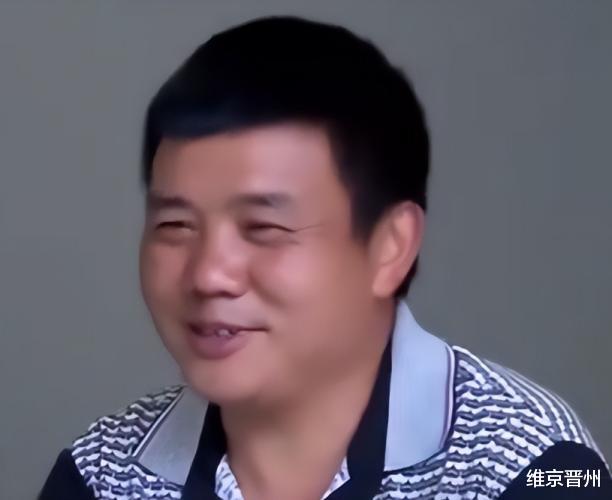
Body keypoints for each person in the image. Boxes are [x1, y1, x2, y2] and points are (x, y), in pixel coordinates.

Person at [39, 15, 610, 500]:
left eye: (263, 228)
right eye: (175, 225)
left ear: (391, 246)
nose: (209, 274)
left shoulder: (535, 466)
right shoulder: (100, 476)